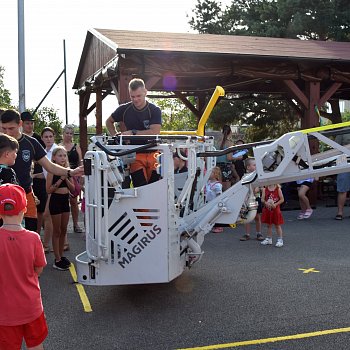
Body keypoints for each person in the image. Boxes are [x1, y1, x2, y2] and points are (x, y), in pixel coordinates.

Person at [0, 109, 84, 232]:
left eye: (11, 128)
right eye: (4, 128)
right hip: (2, 197)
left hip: (25, 195)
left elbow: (49, 166)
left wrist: (70, 172)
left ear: (20, 124)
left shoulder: (31, 142)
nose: (7, 132)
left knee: (30, 233)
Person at [0, 184, 48, 349]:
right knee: (36, 345)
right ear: (25, 209)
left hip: (4, 311)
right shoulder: (33, 238)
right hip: (30, 306)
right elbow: (39, 269)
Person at [105, 78, 162, 187]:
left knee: (155, 187)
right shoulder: (124, 109)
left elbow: (155, 131)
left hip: (153, 153)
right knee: (140, 187)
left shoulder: (154, 110)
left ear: (145, 92)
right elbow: (109, 121)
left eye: (139, 96)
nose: (135, 99)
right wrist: (116, 137)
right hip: (135, 155)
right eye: (132, 96)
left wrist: (133, 133)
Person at [46, 147, 75, 271]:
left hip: (65, 201)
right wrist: (60, 179)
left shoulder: (68, 171)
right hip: (55, 201)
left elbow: (73, 189)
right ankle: (57, 259)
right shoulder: (52, 171)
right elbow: (49, 190)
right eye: (60, 156)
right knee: (56, 231)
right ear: (54, 158)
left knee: (64, 230)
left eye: (64, 156)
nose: (62, 158)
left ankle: (61, 256)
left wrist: (66, 177)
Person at [21, 112, 47, 236]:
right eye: (27, 123)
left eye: (32, 123)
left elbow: (43, 158)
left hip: (37, 175)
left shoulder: (36, 139)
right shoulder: (8, 139)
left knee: (39, 207)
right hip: (20, 181)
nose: (30, 126)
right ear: (21, 123)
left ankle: (36, 234)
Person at [60, 124, 84, 233]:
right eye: (67, 133)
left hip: (75, 175)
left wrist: (81, 176)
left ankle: (75, 224)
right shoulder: (59, 146)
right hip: (62, 175)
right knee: (62, 201)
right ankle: (61, 225)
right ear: (63, 133)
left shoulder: (76, 146)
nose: (69, 135)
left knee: (74, 201)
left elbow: (80, 161)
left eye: (71, 133)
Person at [240, 158, 263, 241]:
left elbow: (261, 185)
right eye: (254, 165)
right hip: (247, 199)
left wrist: (259, 188)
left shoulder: (258, 176)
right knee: (247, 217)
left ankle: (259, 233)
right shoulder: (244, 176)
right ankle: (247, 234)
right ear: (248, 167)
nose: (256, 166)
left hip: (256, 198)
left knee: (257, 217)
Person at [260, 183, 285, 248]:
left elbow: (282, 199)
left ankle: (280, 239)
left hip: (276, 210)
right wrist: (266, 203)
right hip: (268, 210)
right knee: (269, 225)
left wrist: (276, 204)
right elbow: (262, 199)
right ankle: (269, 238)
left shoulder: (278, 189)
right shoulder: (265, 189)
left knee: (277, 225)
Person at [215, 125, 239, 191]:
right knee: (226, 189)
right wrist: (238, 157)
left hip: (216, 167)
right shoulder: (229, 143)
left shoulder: (217, 142)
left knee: (219, 187)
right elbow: (229, 158)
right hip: (226, 167)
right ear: (230, 132)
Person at [334, 132, 350, 220]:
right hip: (344, 162)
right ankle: (340, 212)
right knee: (342, 188)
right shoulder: (344, 130)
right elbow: (335, 147)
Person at [205, 166, 223, 233]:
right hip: (209, 201)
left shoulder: (217, 185)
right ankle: (211, 225)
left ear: (215, 174)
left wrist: (218, 202)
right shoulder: (208, 182)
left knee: (215, 215)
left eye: (211, 173)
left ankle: (219, 227)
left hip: (214, 202)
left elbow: (219, 194)